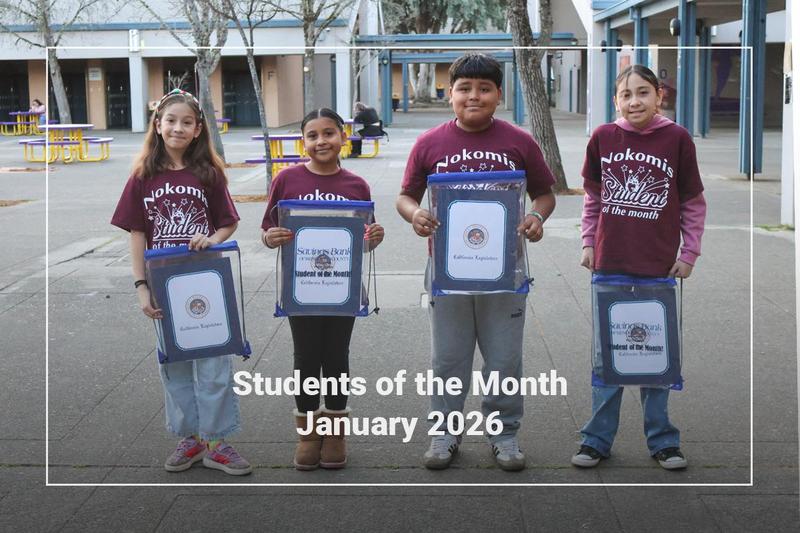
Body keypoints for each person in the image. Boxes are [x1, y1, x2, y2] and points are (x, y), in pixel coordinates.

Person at [396, 53, 556, 472]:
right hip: (448, 272)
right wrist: (415, 214)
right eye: (464, 88)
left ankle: (504, 433)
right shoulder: (429, 143)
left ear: (499, 94)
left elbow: (544, 194)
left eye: (484, 88)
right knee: (448, 358)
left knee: (504, 358)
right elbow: (405, 196)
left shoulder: (519, 142)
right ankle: (444, 432)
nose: (474, 96)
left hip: (505, 271)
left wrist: (536, 217)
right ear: (449, 94)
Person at [571, 64, 706, 471]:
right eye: (626, 94)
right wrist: (588, 242)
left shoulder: (677, 139)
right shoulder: (603, 137)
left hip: (658, 267)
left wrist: (689, 253)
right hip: (610, 264)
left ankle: (663, 440)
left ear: (659, 96)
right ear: (616, 101)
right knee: (607, 356)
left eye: (643, 92)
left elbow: (692, 202)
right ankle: (596, 440)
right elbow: (593, 198)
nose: (634, 101)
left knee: (655, 354)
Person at [110, 88, 252, 476]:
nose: (178, 128)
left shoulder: (209, 173)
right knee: (175, 364)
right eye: (170, 120)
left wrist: (213, 239)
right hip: (163, 283)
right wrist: (141, 286)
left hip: (206, 281)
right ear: (157, 125)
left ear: (197, 129)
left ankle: (217, 442)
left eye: (186, 122)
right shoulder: (143, 176)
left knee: (214, 363)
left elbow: (228, 222)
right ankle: (190, 438)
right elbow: (137, 233)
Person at [261, 108, 385, 471]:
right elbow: (268, 229)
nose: (321, 141)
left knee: (335, 357)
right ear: (303, 142)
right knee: (305, 358)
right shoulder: (286, 181)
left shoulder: (356, 185)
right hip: (301, 287)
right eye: (312, 135)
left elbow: (364, 241)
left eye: (329, 133)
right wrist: (270, 238)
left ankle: (335, 434)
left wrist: (374, 238)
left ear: (343, 137)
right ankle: (307, 433)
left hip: (342, 287)